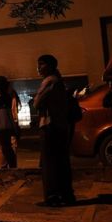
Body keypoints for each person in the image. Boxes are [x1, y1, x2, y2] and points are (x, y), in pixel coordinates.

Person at [33, 55, 75, 207]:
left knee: (49, 163)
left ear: (50, 65)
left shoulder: (50, 81)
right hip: (59, 125)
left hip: (50, 126)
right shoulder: (59, 80)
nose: (38, 67)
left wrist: (36, 98)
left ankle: (52, 196)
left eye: (41, 64)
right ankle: (66, 194)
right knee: (61, 162)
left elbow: (37, 104)